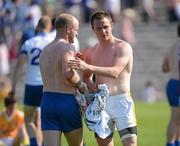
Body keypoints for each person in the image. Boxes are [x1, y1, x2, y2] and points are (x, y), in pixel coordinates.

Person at [68, 11, 137, 146]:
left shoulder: (123, 47)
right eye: (99, 28)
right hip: (101, 104)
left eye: (105, 26)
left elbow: (115, 72)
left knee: (131, 143)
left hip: (122, 101)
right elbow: (86, 77)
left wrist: (87, 66)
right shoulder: (92, 51)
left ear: (111, 25)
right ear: (93, 29)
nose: (103, 31)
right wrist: (88, 83)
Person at [39, 13, 88, 146]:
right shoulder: (68, 47)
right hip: (66, 101)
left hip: (47, 101)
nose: (77, 33)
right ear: (68, 29)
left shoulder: (45, 50)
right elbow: (67, 74)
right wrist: (81, 84)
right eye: (76, 29)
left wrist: (75, 63)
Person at [11, 15, 52, 146]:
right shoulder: (52, 41)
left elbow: (18, 66)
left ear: (37, 27)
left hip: (31, 85)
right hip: (47, 85)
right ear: (49, 27)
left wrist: (13, 87)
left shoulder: (29, 42)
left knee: (28, 119)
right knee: (48, 120)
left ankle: (34, 143)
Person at [162, 23, 180, 146]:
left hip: (172, 83)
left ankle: (176, 142)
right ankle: (170, 144)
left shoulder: (172, 47)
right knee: (175, 119)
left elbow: (164, 68)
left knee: (177, 119)